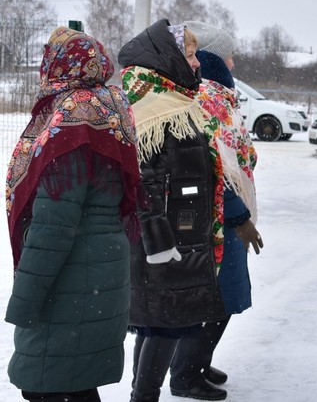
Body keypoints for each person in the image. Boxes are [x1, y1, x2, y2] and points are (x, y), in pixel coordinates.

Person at [5, 27, 140, 402]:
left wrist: (26, 300)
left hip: (70, 279)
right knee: (76, 384)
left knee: (49, 385)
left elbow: (54, 224)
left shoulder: (71, 118)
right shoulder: (108, 104)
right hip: (99, 271)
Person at [119, 20, 228, 402]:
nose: (197, 63)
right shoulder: (154, 108)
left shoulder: (173, 100)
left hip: (177, 238)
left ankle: (141, 394)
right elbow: (144, 188)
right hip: (165, 245)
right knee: (164, 327)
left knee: (156, 326)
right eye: (191, 54)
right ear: (167, 58)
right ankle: (143, 397)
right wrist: (163, 248)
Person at [168, 22, 263, 398]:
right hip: (217, 216)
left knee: (222, 295)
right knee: (216, 298)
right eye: (228, 55)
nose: (234, 62)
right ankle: (185, 374)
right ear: (211, 57)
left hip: (224, 211)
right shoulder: (206, 97)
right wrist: (237, 211)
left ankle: (197, 362)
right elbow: (210, 165)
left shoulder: (217, 95)